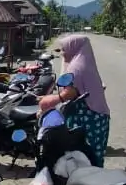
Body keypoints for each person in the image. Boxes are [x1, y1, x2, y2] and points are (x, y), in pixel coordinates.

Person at [41, 33, 112, 166]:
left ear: (74, 48)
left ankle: (86, 177)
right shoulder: (85, 62)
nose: (62, 53)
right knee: (91, 156)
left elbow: (70, 92)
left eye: (65, 49)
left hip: (88, 117)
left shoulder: (77, 67)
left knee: (83, 156)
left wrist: (51, 100)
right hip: (96, 116)